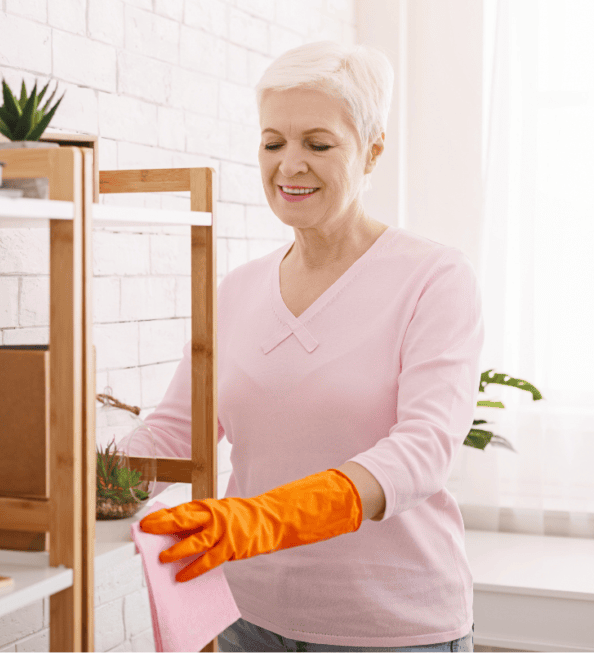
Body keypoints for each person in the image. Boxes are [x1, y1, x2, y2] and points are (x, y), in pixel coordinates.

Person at [121, 41, 481, 651]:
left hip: (391, 627)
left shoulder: (434, 277)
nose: (290, 166)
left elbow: (424, 450)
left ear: (372, 151)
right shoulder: (236, 291)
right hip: (245, 616)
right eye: (273, 143)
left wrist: (267, 519)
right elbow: (176, 433)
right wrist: (69, 486)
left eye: (318, 144)